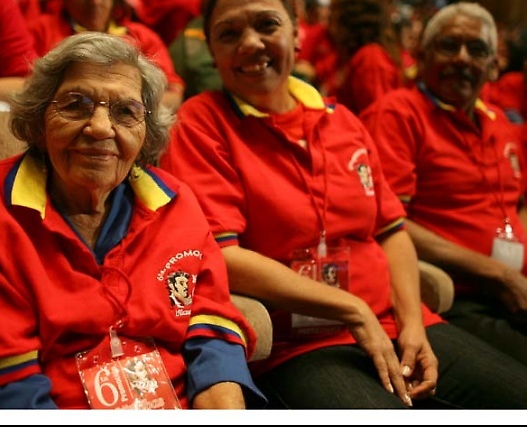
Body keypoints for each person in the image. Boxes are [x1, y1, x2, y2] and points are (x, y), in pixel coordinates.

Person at [159, 0, 527, 408]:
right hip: (300, 344)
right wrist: (351, 308)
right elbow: (223, 256)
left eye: (267, 25)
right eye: (229, 34)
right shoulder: (201, 123)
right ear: (212, 51)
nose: (251, 43)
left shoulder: (342, 120)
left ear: (296, 35)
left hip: (393, 322)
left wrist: (413, 325)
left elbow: (392, 232)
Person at [0, 31, 265, 410]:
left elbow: (211, 329)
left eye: (126, 112)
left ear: (146, 132)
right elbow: (3, 388)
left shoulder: (176, 202)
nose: (101, 127)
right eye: (76, 104)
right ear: (39, 120)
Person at [360, 2, 527, 367]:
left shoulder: (500, 122)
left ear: (493, 65)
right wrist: (497, 273)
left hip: (513, 288)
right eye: (449, 46)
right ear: (422, 55)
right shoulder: (398, 114)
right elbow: (388, 224)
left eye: (476, 49)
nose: (462, 58)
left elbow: (518, 204)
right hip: (453, 293)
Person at [29, 0, 185, 112]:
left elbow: (173, 95)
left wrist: (125, 109)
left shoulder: (143, 37)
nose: (95, 3)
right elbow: (27, 90)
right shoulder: (40, 30)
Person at [326, 0, 403, 116]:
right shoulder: (350, 56)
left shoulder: (371, 59)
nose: (329, 25)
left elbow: (377, 118)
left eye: (334, 15)